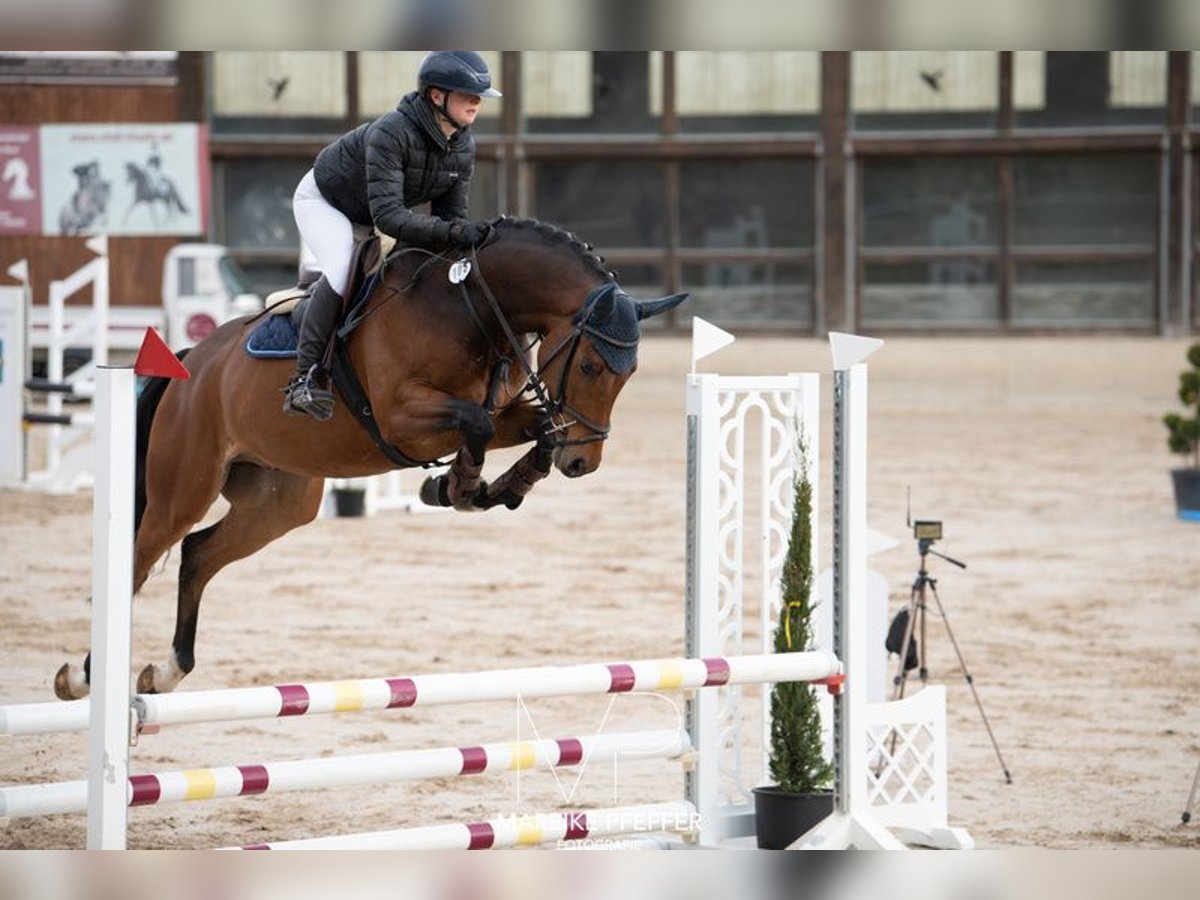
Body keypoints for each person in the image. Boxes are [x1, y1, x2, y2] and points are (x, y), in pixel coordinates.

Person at [282, 50, 501, 421]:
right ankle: (304, 380)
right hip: (327, 203)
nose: (476, 102)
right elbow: (389, 218)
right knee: (340, 270)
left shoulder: (463, 145)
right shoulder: (391, 132)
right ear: (436, 96)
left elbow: (451, 219)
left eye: (479, 96)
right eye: (467, 94)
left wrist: (462, 236)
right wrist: (454, 230)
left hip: (373, 212)